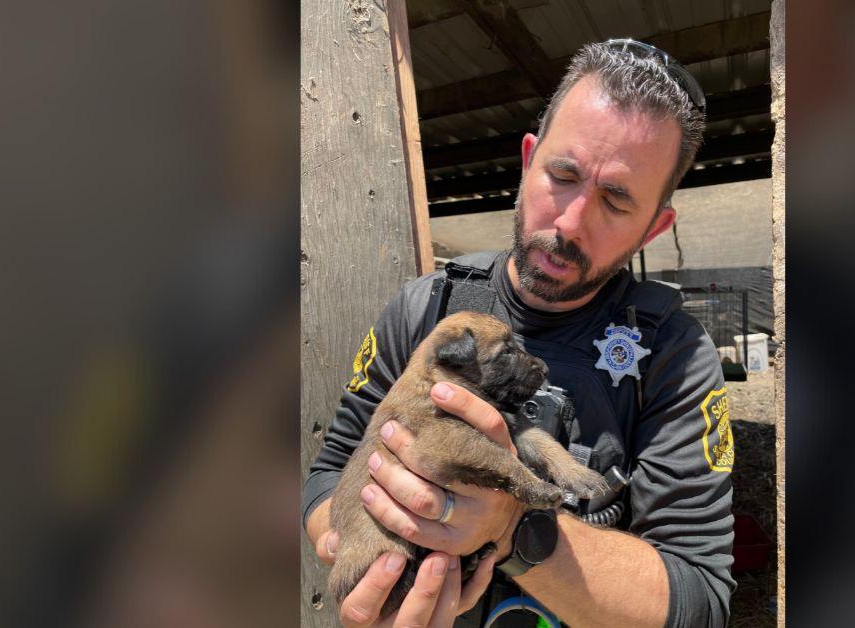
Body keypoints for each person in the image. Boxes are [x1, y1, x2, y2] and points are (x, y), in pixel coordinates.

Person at [303, 39, 736, 628]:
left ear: (655, 227)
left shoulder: (674, 355)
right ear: (528, 159)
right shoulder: (425, 311)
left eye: (615, 201)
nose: (570, 222)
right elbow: (328, 473)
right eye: (562, 174)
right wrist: (367, 557)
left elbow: (701, 602)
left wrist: (514, 530)